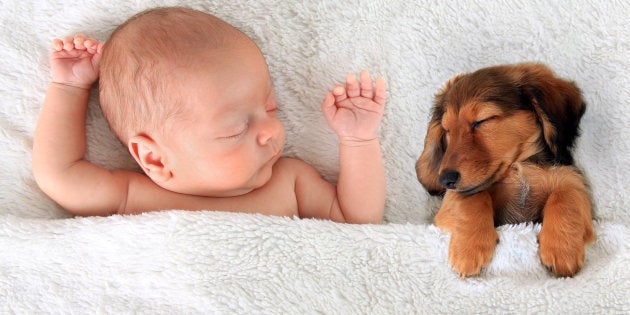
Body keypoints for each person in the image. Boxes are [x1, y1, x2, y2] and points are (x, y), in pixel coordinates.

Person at [32, 7, 386, 224]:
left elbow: (357, 218)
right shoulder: (130, 196)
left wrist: (357, 141)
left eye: (269, 108)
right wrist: (69, 89)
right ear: (155, 157)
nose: (270, 131)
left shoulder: (290, 182)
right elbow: (58, 174)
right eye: (236, 129)